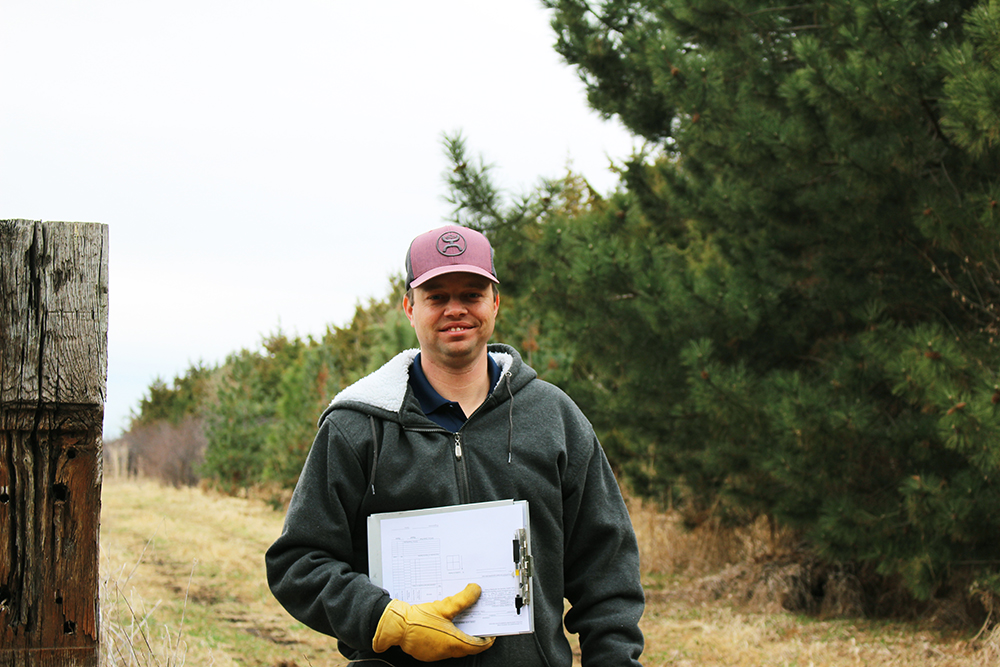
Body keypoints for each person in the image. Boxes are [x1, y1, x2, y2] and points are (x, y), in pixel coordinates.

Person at [265, 225, 645, 666]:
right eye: (437, 297)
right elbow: (298, 562)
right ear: (410, 307)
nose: (455, 310)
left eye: (471, 294)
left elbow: (606, 567)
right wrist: (386, 620)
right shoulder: (358, 425)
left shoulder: (553, 418)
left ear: (495, 303)